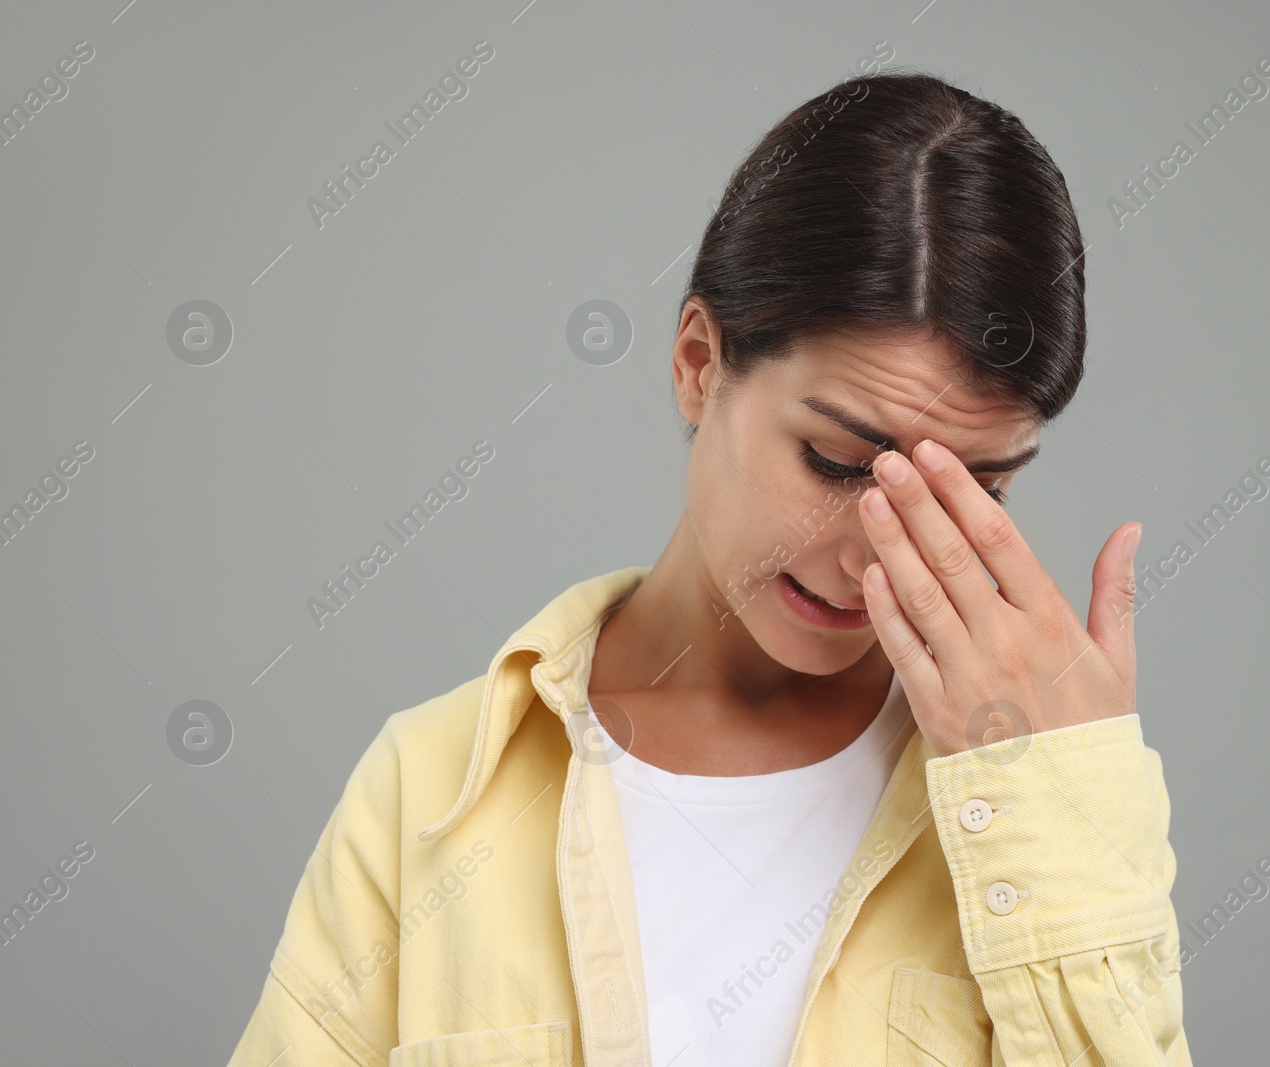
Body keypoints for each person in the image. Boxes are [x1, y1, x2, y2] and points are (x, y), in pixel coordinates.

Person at [226, 68, 1190, 1067]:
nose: (878, 553)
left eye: (970, 491)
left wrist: (1054, 796)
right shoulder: (425, 790)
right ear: (698, 362)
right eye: (835, 459)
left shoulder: (1037, 798)